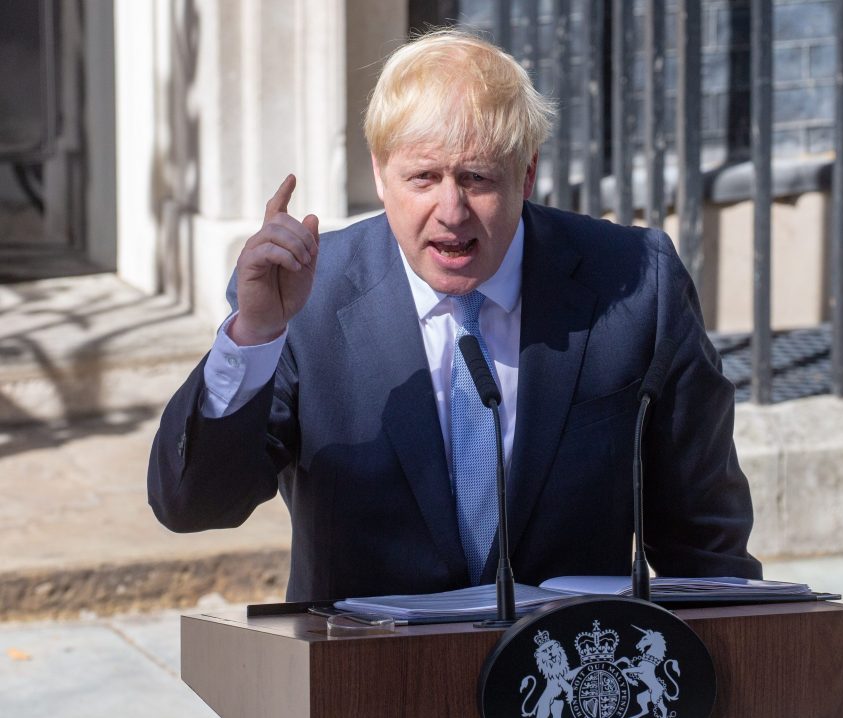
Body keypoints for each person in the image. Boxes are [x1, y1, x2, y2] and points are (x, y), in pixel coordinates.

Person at [148, 30, 761, 602]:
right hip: (366, 688)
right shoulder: (308, 298)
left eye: (476, 178)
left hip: (566, 687)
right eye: (423, 177)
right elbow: (193, 504)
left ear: (527, 173)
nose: (451, 210)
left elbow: (706, 546)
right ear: (379, 174)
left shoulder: (632, 283)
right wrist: (254, 335)